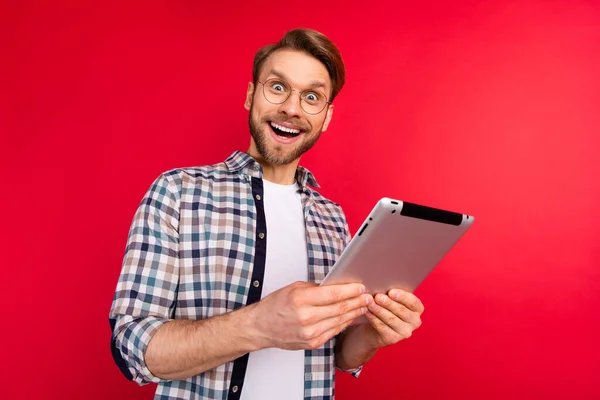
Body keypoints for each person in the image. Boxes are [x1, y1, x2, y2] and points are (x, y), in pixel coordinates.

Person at [109, 28, 424, 400]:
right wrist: (258, 325)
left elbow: (334, 354)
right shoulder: (177, 191)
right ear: (250, 95)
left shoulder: (332, 218)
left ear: (325, 117)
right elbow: (131, 348)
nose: (292, 108)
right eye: (278, 87)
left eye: (311, 97)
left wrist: (372, 334)